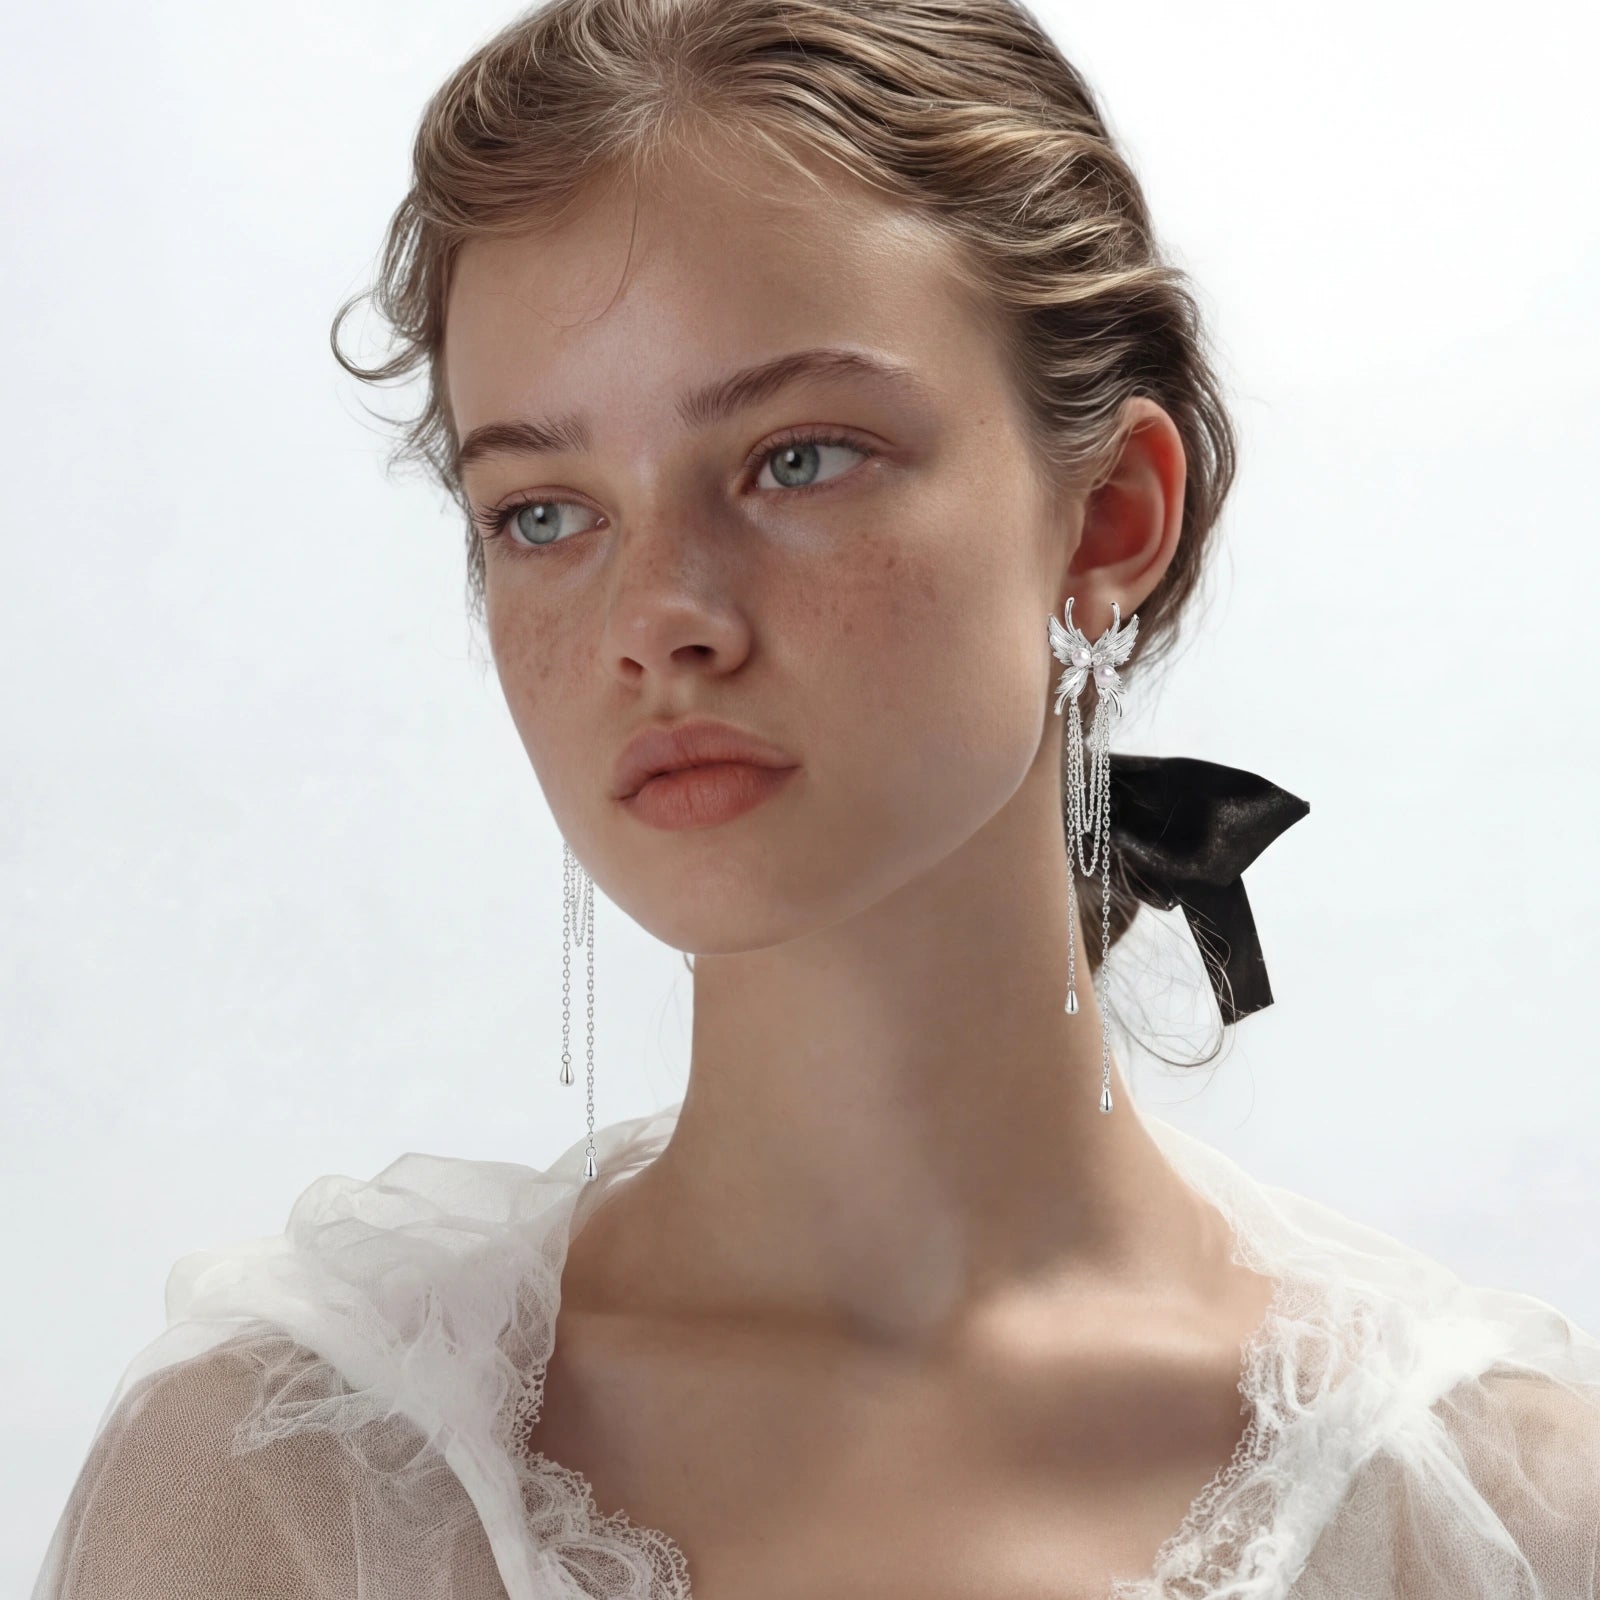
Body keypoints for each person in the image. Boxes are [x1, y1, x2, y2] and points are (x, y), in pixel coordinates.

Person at [32, 0, 1600, 1595]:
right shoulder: (283, 1488)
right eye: (545, 511)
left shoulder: (1501, 1522)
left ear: (1109, 518)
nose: (659, 616)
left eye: (798, 459)